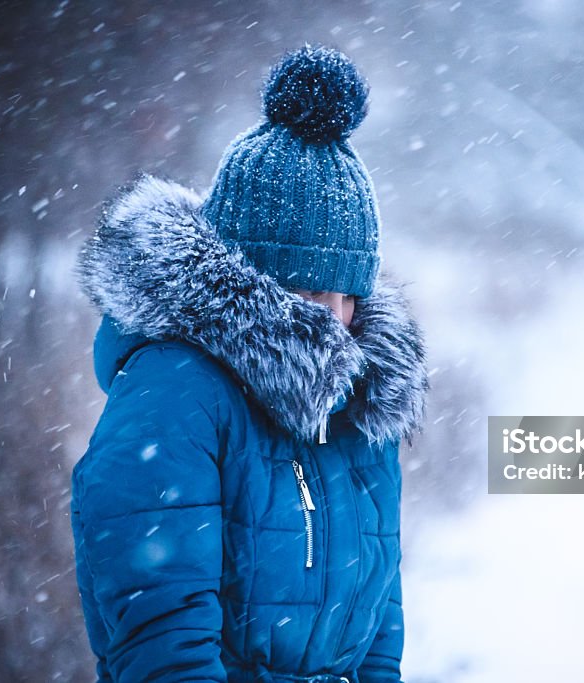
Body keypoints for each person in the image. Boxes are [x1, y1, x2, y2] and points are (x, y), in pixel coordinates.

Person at [69, 45, 428, 683]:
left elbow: (379, 627)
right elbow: (161, 636)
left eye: (348, 295)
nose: (335, 320)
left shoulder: (358, 406)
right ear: (252, 278)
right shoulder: (175, 395)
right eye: (312, 293)